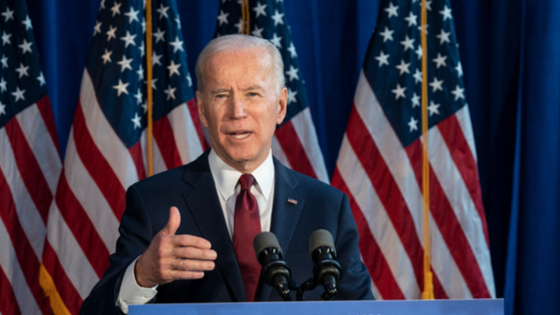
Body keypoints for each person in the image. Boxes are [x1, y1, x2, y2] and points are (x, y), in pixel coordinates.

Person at [80, 34, 373, 315]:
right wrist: (142, 274)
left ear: (280, 106)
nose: (237, 111)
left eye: (252, 93)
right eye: (221, 95)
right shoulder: (153, 201)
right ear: (203, 110)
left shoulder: (327, 207)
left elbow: (364, 311)